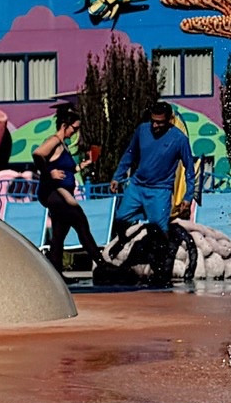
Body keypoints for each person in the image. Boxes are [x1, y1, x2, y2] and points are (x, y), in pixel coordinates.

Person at [32, 102, 107, 276]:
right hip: (54, 192)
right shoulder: (54, 141)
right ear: (65, 126)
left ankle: (56, 274)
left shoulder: (63, 145)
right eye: (74, 128)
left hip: (61, 192)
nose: (75, 132)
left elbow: (68, 170)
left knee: (59, 232)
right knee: (80, 222)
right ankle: (102, 264)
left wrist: (84, 165)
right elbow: (37, 154)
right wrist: (49, 173)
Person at [113, 100, 195, 233]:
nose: (155, 125)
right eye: (153, 121)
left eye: (160, 122)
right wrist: (117, 176)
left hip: (160, 190)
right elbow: (130, 154)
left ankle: (165, 251)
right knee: (120, 220)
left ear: (169, 120)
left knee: (159, 231)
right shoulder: (142, 130)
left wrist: (188, 196)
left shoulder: (179, 139)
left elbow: (189, 169)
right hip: (137, 186)